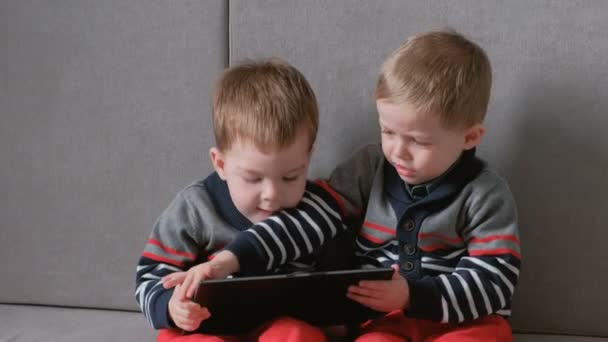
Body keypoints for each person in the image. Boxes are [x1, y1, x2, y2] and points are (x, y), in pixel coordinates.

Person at [192, 30, 521, 341]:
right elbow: (308, 218)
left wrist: (412, 295)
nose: (397, 151)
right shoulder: (368, 167)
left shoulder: (486, 194)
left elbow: (495, 279)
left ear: (469, 137)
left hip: (464, 321)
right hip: (383, 320)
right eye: (388, 132)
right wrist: (232, 259)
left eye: (419, 142)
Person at [135, 58, 349, 342]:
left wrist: (337, 316)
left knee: (297, 335)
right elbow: (150, 276)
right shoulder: (194, 209)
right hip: (206, 326)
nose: (272, 194)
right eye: (253, 178)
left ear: (308, 158)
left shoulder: (316, 210)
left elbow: (338, 278)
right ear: (220, 163)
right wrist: (171, 307)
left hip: (279, 325)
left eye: (290, 177)